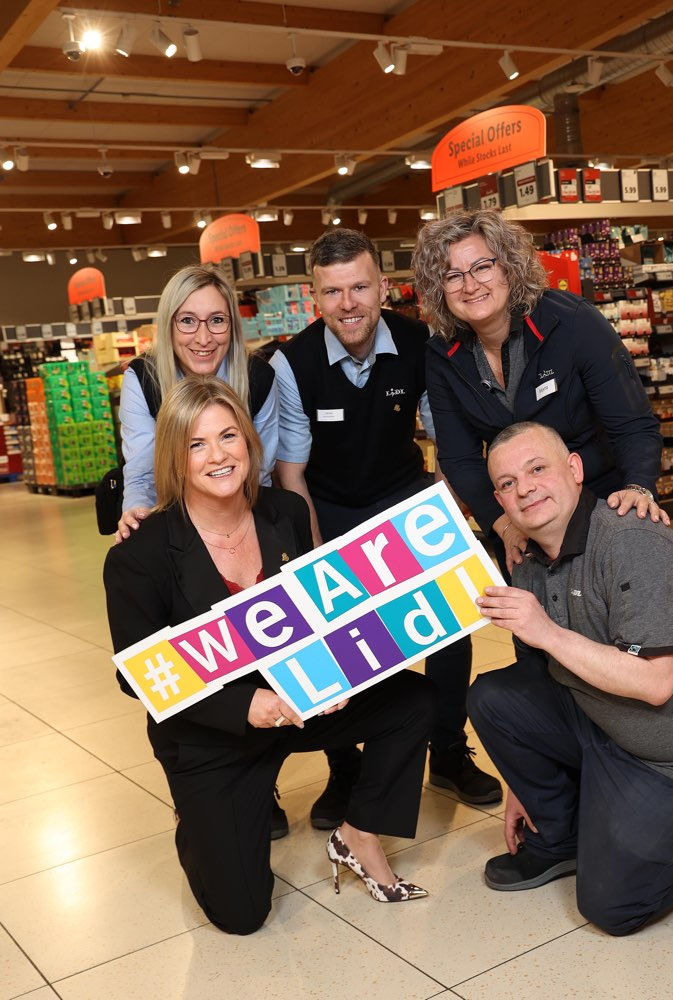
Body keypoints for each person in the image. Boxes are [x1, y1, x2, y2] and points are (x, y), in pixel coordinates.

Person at [103, 376, 435, 935]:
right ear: (174, 458)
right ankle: (196, 820)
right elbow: (136, 677)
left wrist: (335, 673)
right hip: (214, 734)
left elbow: (312, 616)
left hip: (293, 705)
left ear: (249, 441)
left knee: (414, 698)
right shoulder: (141, 553)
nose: (218, 455)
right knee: (242, 915)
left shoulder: (285, 512)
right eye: (197, 444)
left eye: (228, 436)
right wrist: (244, 707)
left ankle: (359, 834)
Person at [467, 421, 673, 936]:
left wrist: (546, 631)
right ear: (499, 500)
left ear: (574, 469)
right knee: (493, 697)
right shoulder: (528, 560)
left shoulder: (632, 539)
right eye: (507, 483)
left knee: (613, 906)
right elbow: (540, 676)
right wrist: (524, 782)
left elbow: (655, 683)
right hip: (607, 720)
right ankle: (560, 839)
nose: (525, 489)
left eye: (537, 469)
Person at [270, 228, 501, 828]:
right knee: (340, 640)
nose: (348, 304)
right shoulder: (291, 364)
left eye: (360, 288)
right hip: (327, 506)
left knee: (447, 624)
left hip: (405, 496)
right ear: (313, 297)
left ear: (383, 288)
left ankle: (446, 749)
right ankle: (345, 766)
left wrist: (443, 518)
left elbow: (449, 442)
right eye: (332, 291)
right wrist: (315, 553)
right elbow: (290, 473)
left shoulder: (421, 342)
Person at [413, 210, 667, 573]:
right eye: (452, 276)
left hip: (602, 504)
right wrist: (503, 525)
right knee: (530, 610)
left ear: (509, 266)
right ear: (438, 288)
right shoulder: (442, 354)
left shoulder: (572, 322)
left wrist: (638, 487)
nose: (470, 286)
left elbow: (633, 423)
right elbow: (459, 457)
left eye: (482, 267)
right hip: (520, 525)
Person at [116, 263, 278, 543]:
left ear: (232, 325)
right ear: (169, 324)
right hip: (171, 518)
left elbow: (259, 472)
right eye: (188, 321)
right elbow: (142, 474)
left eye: (217, 320)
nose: (204, 339)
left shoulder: (258, 378)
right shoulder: (144, 378)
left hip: (241, 516)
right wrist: (137, 513)